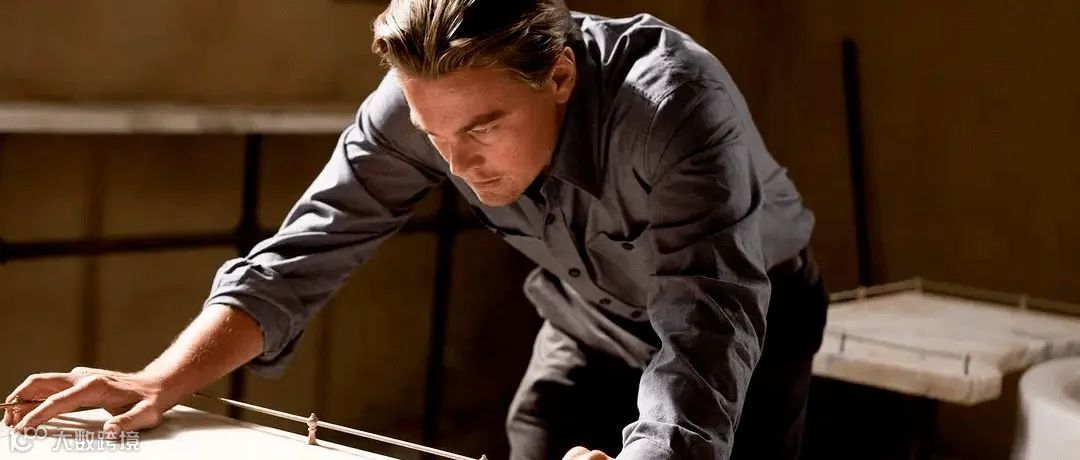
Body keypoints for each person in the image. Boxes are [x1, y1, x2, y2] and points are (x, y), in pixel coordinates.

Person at [3, 1, 828, 459]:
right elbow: (303, 253)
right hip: (586, 314)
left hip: (748, 319)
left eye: (483, 130)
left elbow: (703, 327)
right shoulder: (417, 102)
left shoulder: (674, 106)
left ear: (560, 75)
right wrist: (159, 379)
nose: (458, 166)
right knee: (537, 440)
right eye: (436, 139)